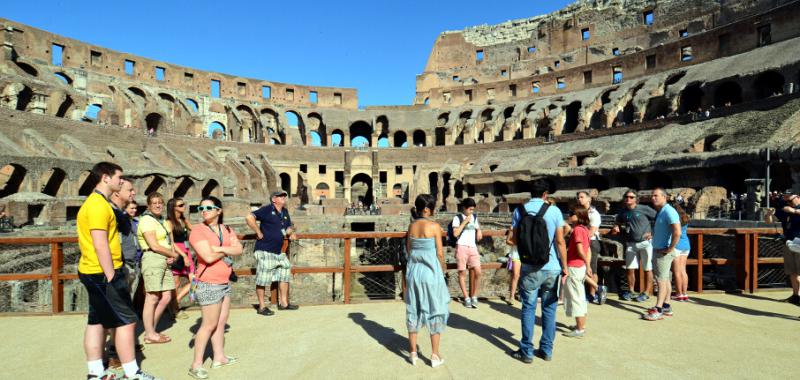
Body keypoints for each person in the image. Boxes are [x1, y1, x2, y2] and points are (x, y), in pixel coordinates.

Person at [77, 162, 158, 380]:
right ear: (105, 177)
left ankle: (95, 373)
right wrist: (112, 275)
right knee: (127, 321)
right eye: (118, 177)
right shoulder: (97, 205)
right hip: (103, 272)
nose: (121, 181)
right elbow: (100, 243)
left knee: (97, 321)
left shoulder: (98, 203)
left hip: (93, 271)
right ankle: (133, 373)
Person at [508, 180, 568, 364]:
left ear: (530, 193)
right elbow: (560, 241)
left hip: (529, 267)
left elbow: (514, 239)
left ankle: (526, 351)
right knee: (549, 309)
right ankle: (546, 350)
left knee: (528, 307)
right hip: (551, 267)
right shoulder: (554, 211)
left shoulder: (520, 211)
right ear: (545, 194)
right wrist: (565, 267)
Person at [188, 196, 242, 379]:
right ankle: (196, 365)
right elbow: (207, 257)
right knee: (209, 324)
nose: (204, 211)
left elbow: (239, 249)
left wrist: (219, 248)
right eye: (200, 208)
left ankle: (219, 357)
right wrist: (227, 248)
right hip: (209, 283)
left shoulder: (226, 228)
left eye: (209, 207)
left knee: (220, 322)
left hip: (224, 282)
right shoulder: (197, 231)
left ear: (219, 210)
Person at [405, 194, 449, 367]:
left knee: (413, 309)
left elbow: (409, 250)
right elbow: (439, 253)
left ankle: (413, 353)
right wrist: (443, 268)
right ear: (427, 209)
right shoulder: (434, 226)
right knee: (435, 309)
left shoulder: (411, 226)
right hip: (431, 274)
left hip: (414, 273)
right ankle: (434, 355)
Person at [107, 178, 142, 367]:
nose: (133, 193)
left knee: (126, 307)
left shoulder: (127, 219)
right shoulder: (113, 214)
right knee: (118, 311)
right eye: (130, 190)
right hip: (119, 267)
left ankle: (123, 345)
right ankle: (114, 351)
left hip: (130, 265)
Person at [246, 190, 298, 316]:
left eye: (284, 195)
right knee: (263, 279)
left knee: (285, 272)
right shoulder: (267, 209)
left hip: (278, 251)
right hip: (264, 249)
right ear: (274, 199)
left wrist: (291, 232)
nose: (284, 197)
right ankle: (262, 307)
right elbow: (249, 217)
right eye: (280, 196)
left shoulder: (284, 212)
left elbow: (288, 227)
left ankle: (284, 303)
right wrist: (258, 232)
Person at [137, 192, 178, 344]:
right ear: (148, 206)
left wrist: (171, 255)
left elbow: (168, 241)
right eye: (154, 203)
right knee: (152, 297)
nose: (158, 205)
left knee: (167, 296)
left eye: (160, 202)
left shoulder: (162, 221)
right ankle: (150, 334)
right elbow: (154, 245)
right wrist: (173, 254)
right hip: (153, 259)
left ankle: (151, 329)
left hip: (165, 260)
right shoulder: (147, 220)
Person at [611, 189, 657, 302]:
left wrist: (653, 233)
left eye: (631, 197)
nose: (628, 199)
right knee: (630, 269)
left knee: (648, 268)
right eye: (626, 197)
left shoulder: (644, 208)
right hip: (631, 243)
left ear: (636, 199)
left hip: (646, 243)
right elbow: (618, 221)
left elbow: (659, 219)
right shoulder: (623, 212)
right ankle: (631, 291)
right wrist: (616, 226)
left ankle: (646, 292)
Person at [643, 188, 681, 321]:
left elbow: (677, 232)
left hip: (663, 251)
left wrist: (670, 248)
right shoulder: (662, 211)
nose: (653, 198)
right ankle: (666, 306)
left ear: (664, 197)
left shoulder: (669, 211)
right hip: (660, 249)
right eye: (652, 195)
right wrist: (653, 235)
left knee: (661, 280)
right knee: (665, 279)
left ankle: (658, 309)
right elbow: (664, 229)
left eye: (656, 195)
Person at [563, 208, 592, 338]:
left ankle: (579, 329)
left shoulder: (577, 230)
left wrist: (587, 263)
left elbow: (580, 250)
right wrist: (587, 264)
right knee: (580, 296)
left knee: (575, 298)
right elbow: (588, 250)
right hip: (580, 266)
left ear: (578, 216)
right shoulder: (585, 229)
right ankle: (581, 325)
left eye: (572, 214)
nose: (569, 216)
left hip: (574, 266)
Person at [575, 191, 606, 304]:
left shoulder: (594, 213)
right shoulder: (578, 212)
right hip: (580, 242)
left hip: (591, 243)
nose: (579, 199)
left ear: (589, 199)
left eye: (582, 197)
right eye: (578, 197)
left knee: (591, 268)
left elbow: (592, 232)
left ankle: (593, 294)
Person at [166, 197, 193, 320]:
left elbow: (195, 230)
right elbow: (171, 243)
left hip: (186, 251)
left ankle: (175, 301)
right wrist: (183, 255)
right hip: (177, 253)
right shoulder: (169, 222)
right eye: (181, 205)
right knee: (176, 284)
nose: (184, 206)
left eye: (183, 204)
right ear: (173, 208)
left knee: (195, 279)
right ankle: (175, 310)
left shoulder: (183, 220)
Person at [452, 198, 483, 308]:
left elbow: (477, 227)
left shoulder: (474, 217)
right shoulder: (457, 218)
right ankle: (466, 297)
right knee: (462, 273)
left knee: (478, 272)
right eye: (470, 209)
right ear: (464, 208)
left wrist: (479, 231)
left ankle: (474, 296)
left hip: (472, 247)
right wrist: (464, 222)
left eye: (473, 209)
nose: (471, 212)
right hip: (461, 246)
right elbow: (455, 234)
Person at [776, 193, 800, 305]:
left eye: (790, 200)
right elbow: (770, 220)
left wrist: (794, 211)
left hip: (799, 243)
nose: (788, 204)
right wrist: (769, 214)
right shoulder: (785, 210)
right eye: (787, 201)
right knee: (792, 271)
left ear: (798, 198)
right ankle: (796, 296)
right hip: (789, 242)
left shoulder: (793, 210)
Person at [671, 203, 692, 302]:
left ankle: (678, 294)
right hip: (686, 245)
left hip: (677, 245)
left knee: (677, 271)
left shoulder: (674, 218)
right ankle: (684, 293)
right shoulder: (685, 217)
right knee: (683, 270)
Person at [504, 228, 521, 306]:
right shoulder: (513, 228)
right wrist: (517, 244)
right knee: (515, 275)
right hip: (516, 254)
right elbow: (507, 241)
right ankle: (512, 296)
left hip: (527, 254)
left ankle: (521, 294)